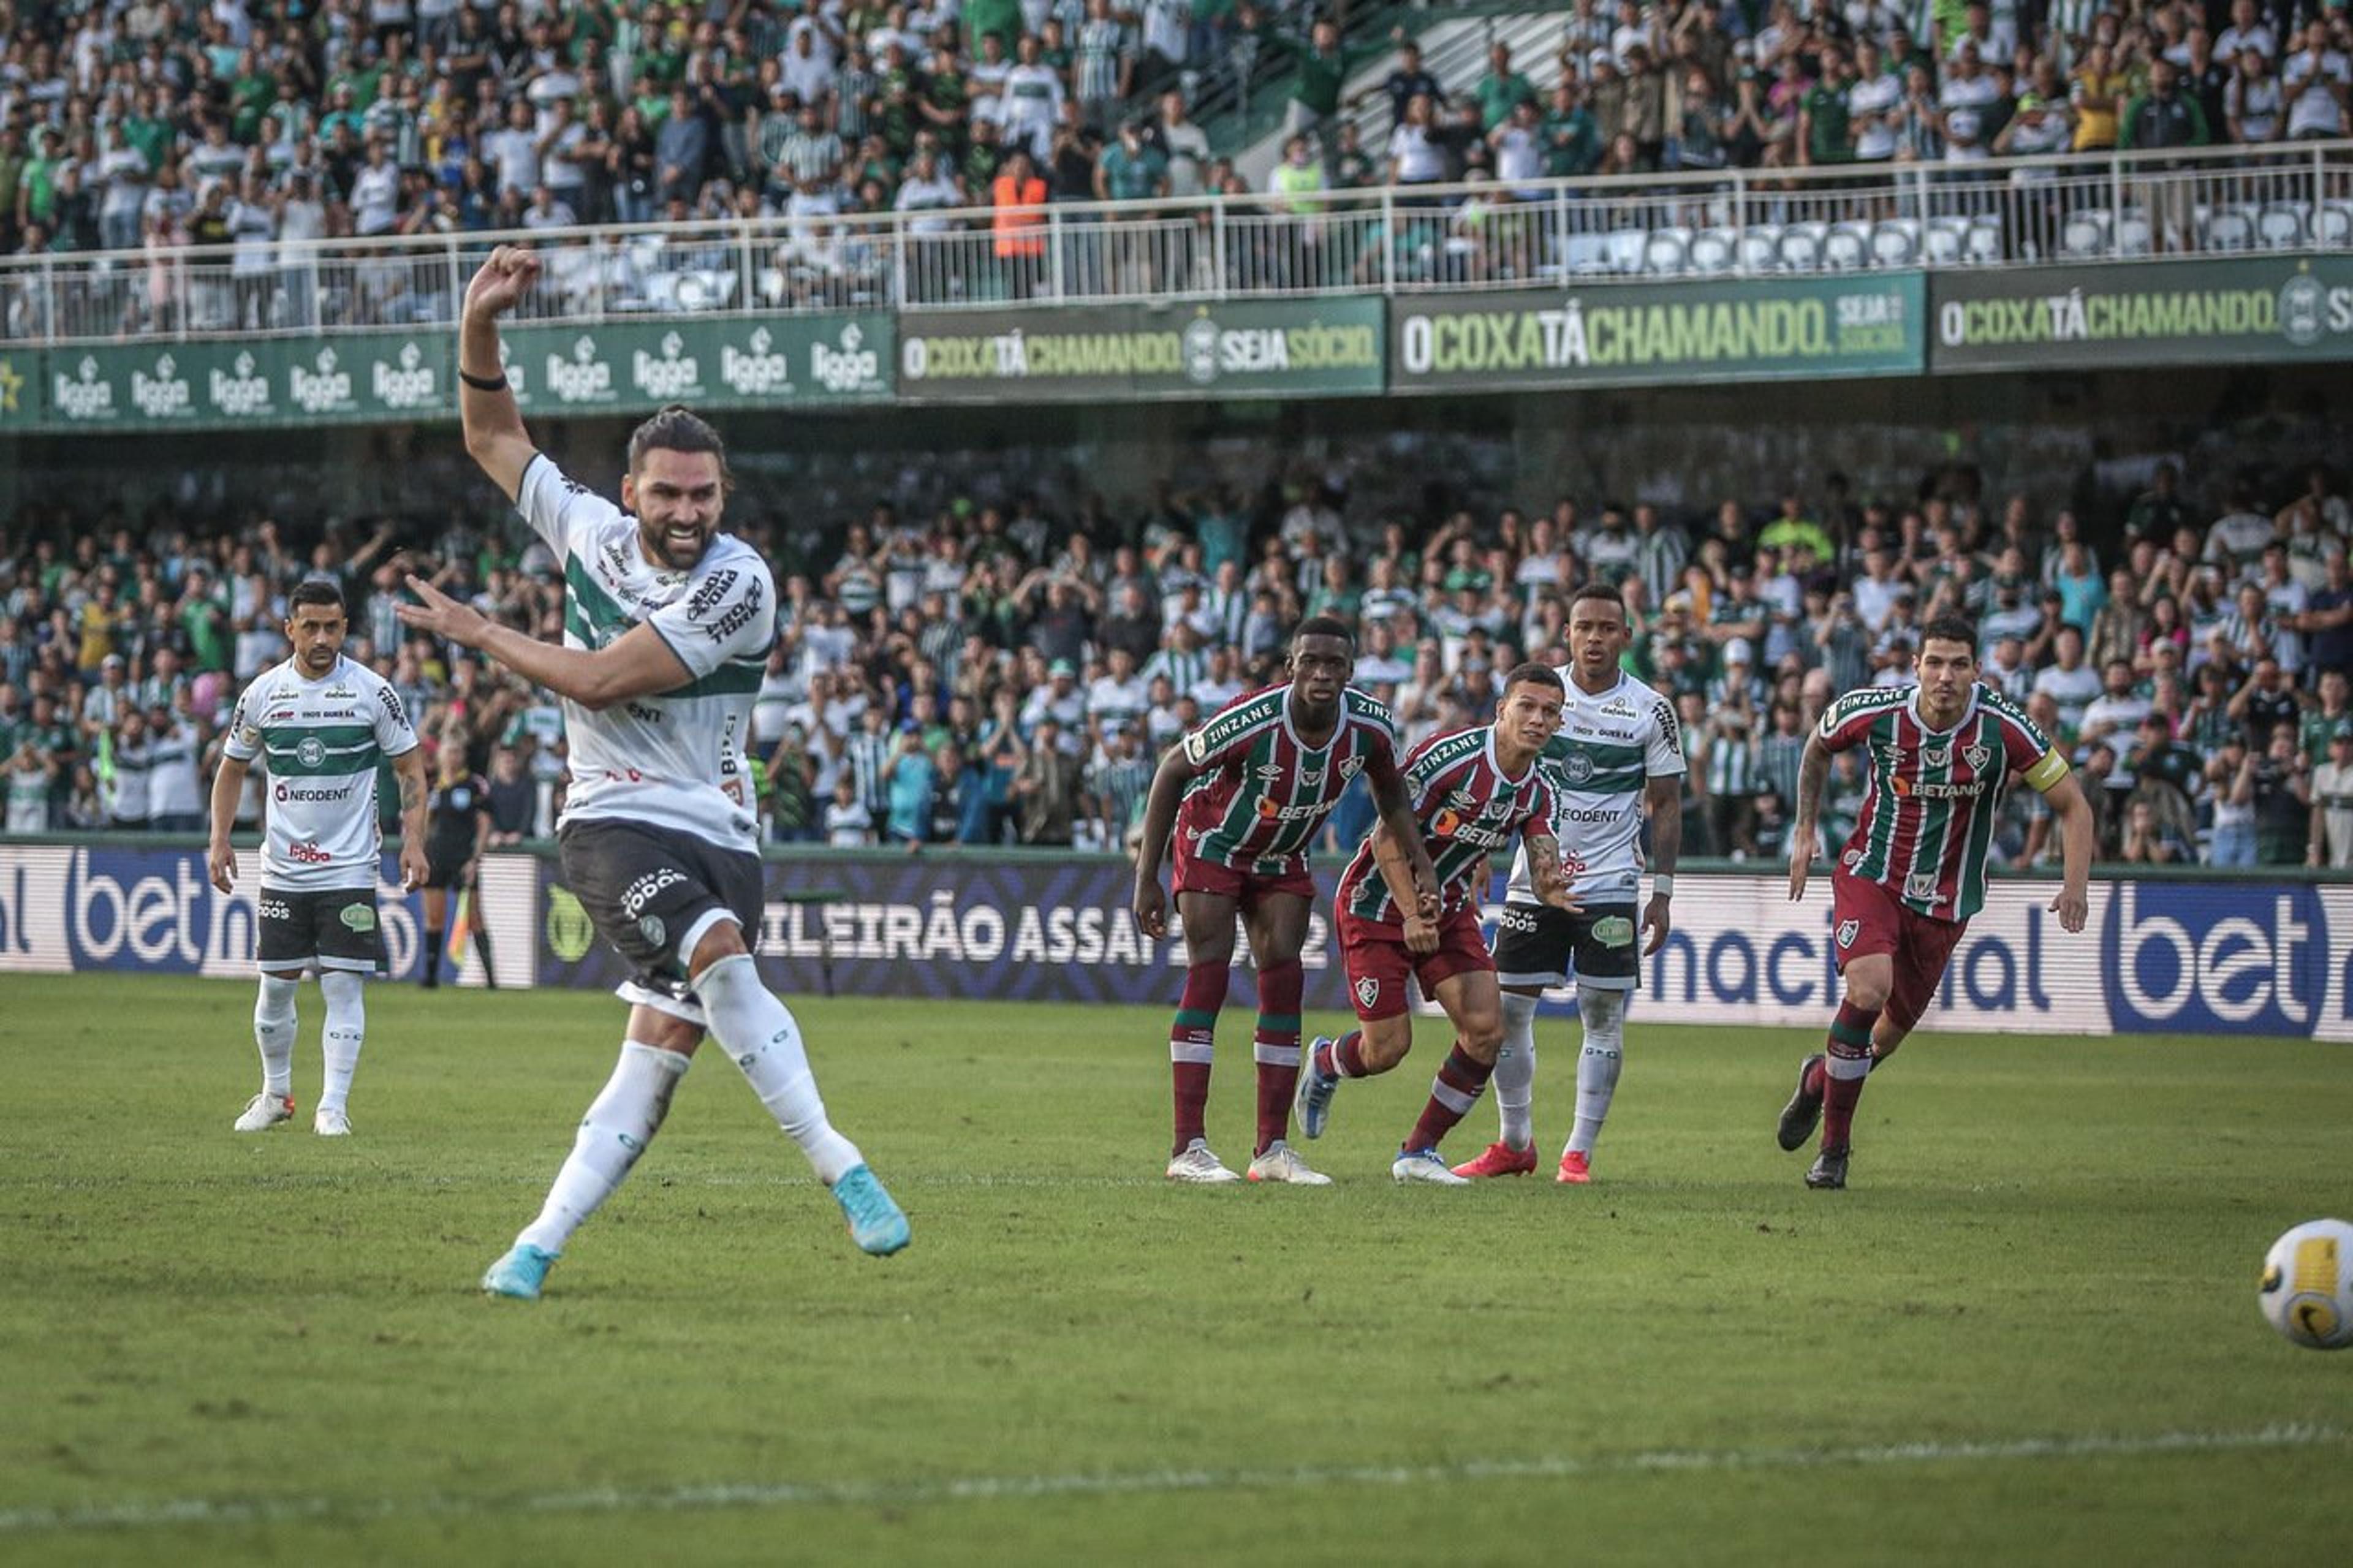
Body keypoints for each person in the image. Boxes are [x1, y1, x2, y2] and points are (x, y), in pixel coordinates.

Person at [397, 244, 908, 1301]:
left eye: (705, 495)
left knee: (655, 1057)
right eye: (669, 493)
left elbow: (594, 680)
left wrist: (480, 629)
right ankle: (844, 1167)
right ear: (628, 490)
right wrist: (477, 323)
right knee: (719, 957)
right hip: (612, 821)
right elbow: (492, 432)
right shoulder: (584, 526)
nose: (688, 512)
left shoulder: (742, 584)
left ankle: (534, 1246)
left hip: (721, 831)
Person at [1776, 615, 2094, 1190]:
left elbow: (2073, 804)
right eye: (1935, 662)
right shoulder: (1874, 711)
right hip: (1872, 874)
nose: (1945, 675)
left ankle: (1820, 1080)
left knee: (1884, 1039)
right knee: (1868, 990)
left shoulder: (2004, 729)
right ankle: (1835, 1152)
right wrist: (1805, 830)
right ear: (1916, 665)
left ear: (1978, 669)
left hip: (1948, 902)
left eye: (1959, 664)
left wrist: (2075, 885)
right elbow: (1818, 747)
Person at [1131, 615, 1438, 1186]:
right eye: (1311, 662)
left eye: (1335, 664)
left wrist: (1422, 863)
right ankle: (1187, 1148)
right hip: (1214, 844)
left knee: (1284, 980)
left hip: (1283, 854)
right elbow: (1172, 769)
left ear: (1350, 670)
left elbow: (1391, 795)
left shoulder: (1370, 726)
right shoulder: (1252, 718)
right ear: (1291, 667)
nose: (1322, 673)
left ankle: (1271, 1149)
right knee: (1211, 973)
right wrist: (1148, 875)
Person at [1294, 664, 1580, 1184]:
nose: (1538, 719)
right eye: (1527, 706)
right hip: (1376, 902)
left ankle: (1419, 1151)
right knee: (1387, 1049)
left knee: (1486, 1031)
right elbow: (1385, 839)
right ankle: (1329, 1060)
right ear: (1502, 709)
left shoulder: (1541, 791)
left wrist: (1552, 887)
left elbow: (1543, 862)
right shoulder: (1449, 757)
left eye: (1550, 712)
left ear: (1560, 723)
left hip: (1445, 908)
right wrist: (1409, 914)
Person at [1456, 585, 1685, 1184]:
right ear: (1568, 633)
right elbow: (1500, 774)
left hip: (1610, 881)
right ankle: (1515, 1142)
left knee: (1602, 1013)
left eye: (1609, 628)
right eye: (1585, 626)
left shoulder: (1651, 709)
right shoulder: (1537, 699)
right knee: (1507, 1010)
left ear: (1626, 637)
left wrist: (1661, 890)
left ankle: (1578, 1154)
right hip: (1535, 877)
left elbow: (1665, 803)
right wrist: (1481, 847)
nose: (1595, 638)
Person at [208, 578, 428, 1138]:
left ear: (346, 627)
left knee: (342, 986)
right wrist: (219, 838)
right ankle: (276, 1094)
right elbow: (232, 768)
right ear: (290, 629)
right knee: (274, 990)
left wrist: (416, 842)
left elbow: (411, 769)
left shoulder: (372, 693)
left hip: (350, 868)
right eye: (310, 626)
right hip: (283, 868)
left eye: (332, 626)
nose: (322, 637)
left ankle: (332, 1106)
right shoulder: (262, 695)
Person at [419, 732, 494, 990]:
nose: (453, 757)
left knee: (475, 919)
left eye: (458, 752)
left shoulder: (474, 785)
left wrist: (476, 858)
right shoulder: (432, 788)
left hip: (464, 859)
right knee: (434, 918)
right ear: (440, 756)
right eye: (449, 752)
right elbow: (424, 826)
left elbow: (484, 825)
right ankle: (430, 978)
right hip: (436, 857)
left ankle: (492, 981)